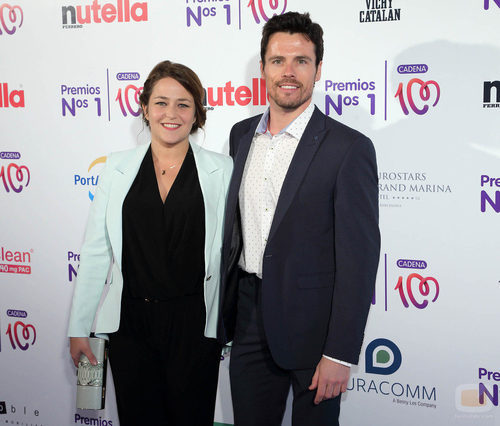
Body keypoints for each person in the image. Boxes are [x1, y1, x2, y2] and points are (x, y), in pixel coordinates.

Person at [218, 12, 380, 426]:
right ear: (263, 68)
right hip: (248, 319)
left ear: (318, 69)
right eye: (278, 61)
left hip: (316, 329)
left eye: (301, 61)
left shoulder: (349, 148)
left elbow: (359, 261)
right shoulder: (240, 135)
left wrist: (339, 352)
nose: (288, 72)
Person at [68, 60, 233, 426]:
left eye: (183, 104)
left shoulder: (223, 170)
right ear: (144, 108)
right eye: (160, 102)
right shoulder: (116, 168)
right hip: (130, 326)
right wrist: (79, 327)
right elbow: (96, 252)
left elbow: (232, 255)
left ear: (197, 113)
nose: (170, 113)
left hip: (195, 326)